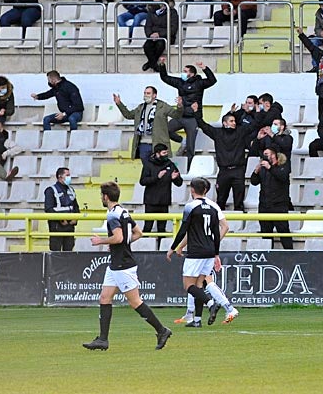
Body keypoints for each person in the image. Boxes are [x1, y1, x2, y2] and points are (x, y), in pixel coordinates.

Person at [82, 182, 172, 351]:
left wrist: (101, 241)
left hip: (123, 265)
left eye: (102, 195)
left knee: (135, 302)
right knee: (104, 298)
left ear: (106, 196)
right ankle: (102, 339)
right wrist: (120, 244)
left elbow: (118, 237)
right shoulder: (123, 211)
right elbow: (138, 232)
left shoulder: (112, 215)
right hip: (116, 263)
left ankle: (162, 330)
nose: (101, 198)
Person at [168, 178, 237, 326]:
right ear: (206, 190)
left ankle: (211, 303)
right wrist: (215, 252)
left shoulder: (190, 206)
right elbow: (218, 232)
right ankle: (197, 320)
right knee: (199, 284)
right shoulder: (213, 207)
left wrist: (173, 247)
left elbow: (183, 230)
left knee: (189, 285)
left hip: (196, 251)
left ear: (192, 190)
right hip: (210, 251)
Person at [157, 59, 216, 161]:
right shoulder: (180, 82)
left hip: (193, 118)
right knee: (165, 129)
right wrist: (162, 65)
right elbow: (165, 77)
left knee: (190, 146)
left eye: (185, 71)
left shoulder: (199, 83)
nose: (183, 74)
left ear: (192, 74)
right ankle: (181, 141)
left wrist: (204, 68)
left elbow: (212, 80)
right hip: (180, 115)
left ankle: (189, 167)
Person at [114, 87, 175, 166]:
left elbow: (176, 114)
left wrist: (180, 106)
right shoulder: (140, 107)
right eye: (145, 93)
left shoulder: (162, 106)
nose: (146, 95)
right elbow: (128, 115)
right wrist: (119, 104)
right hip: (143, 144)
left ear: (154, 95)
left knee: (159, 167)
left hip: (157, 144)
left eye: (148, 93)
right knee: (147, 168)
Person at [248, 148, 292, 250]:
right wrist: (256, 171)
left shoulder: (283, 166)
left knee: (284, 232)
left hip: (279, 205)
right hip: (264, 205)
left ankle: (290, 254)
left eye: (266, 154)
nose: (264, 156)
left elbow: (283, 177)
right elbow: (254, 182)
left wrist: (270, 168)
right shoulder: (263, 168)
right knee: (266, 233)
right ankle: (268, 254)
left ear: (274, 155)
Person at [138, 143, 182, 239]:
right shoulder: (148, 164)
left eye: (166, 152)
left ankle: (161, 251)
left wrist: (175, 178)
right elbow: (143, 181)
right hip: (151, 202)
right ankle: (143, 249)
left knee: (162, 229)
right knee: (147, 227)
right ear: (157, 154)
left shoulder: (170, 164)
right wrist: (157, 177)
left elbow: (179, 183)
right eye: (164, 152)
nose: (166, 154)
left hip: (164, 202)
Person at [44, 167, 78, 251]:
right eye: (67, 175)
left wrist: (76, 218)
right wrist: (61, 220)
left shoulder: (71, 190)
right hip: (57, 227)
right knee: (56, 253)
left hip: (70, 227)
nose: (69, 178)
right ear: (60, 176)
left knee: (69, 253)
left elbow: (76, 207)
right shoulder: (50, 190)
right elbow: (48, 209)